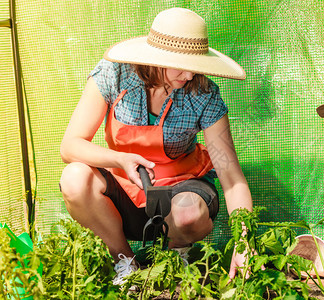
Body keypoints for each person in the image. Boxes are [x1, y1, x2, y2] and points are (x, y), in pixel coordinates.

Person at [59, 7, 253, 285]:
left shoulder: (204, 94)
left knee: (188, 212)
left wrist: (244, 240)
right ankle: (125, 263)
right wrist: (120, 160)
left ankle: (173, 260)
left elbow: (231, 175)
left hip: (181, 190)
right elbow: (70, 146)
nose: (189, 75)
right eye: (180, 64)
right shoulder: (114, 75)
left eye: (195, 65)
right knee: (75, 178)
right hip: (124, 189)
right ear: (157, 58)